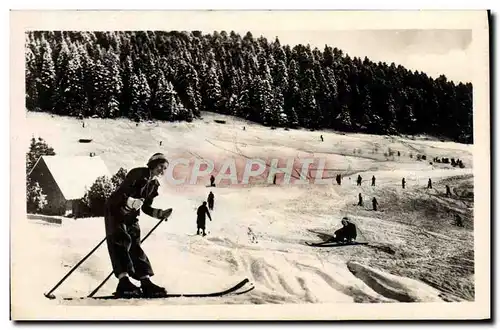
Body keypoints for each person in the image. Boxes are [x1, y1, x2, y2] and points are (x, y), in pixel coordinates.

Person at [104, 153, 172, 298]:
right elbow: (121, 193)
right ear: (153, 164)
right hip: (116, 210)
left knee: (135, 245)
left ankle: (145, 281)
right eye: (161, 166)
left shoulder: (154, 185)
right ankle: (124, 282)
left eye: (165, 169)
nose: (162, 171)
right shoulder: (138, 173)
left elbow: (146, 207)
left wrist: (160, 213)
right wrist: (130, 201)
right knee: (121, 242)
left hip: (131, 216)